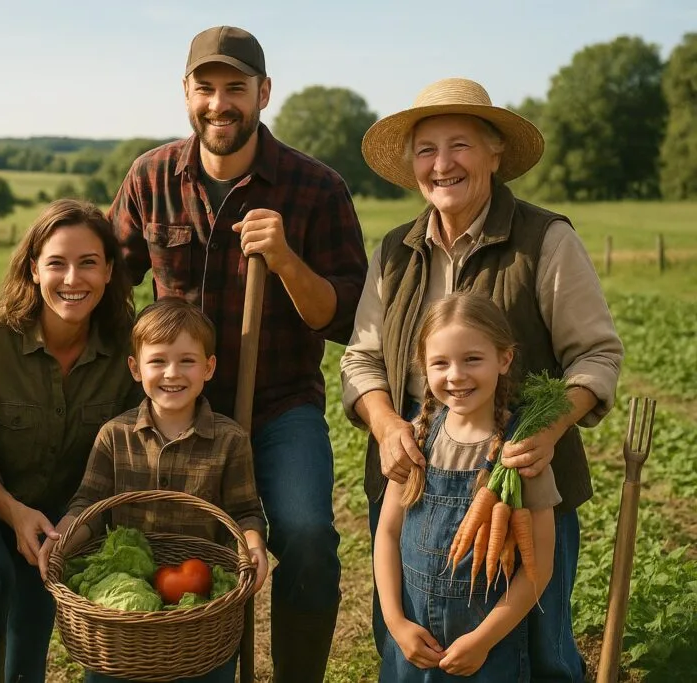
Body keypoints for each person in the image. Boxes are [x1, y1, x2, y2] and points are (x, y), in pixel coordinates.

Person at [340, 78, 624, 680]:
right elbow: (361, 359)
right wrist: (388, 426)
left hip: (518, 482)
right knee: (409, 644)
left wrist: (547, 431)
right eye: (426, 149)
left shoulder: (545, 240)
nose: (442, 164)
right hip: (413, 475)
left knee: (535, 648)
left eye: (460, 145)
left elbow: (596, 356)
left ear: (494, 152)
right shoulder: (394, 251)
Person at [109, 25, 367, 681]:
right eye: (206, 87)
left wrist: (284, 260)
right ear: (187, 93)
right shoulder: (150, 178)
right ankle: (179, 663)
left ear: (264, 93)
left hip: (281, 406)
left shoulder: (316, 188)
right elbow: (110, 288)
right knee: (176, 545)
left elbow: (343, 317)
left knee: (307, 536)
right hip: (181, 411)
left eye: (235, 89)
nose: (219, 103)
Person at [0, 199, 138, 683]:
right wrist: (14, 513)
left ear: (110, 271)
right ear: (33, 269)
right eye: (56, 263)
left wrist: (79, 519)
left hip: (79, 516)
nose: (73, 279)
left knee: (35, 634)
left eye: (89, 263)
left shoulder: (130, 350)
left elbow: (135, 454)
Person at [41, 297, 269, 683]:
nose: (172, 373)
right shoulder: (115, 436)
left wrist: (254, 546)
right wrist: (61, 537)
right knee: (112, 673)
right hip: (126, 597)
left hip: (203, 596)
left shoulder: (230, 440)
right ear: (135, 368)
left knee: (206, 671)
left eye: (187, 361)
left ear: (209, 368)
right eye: (158, 361)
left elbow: (245, 510)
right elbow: (89, 506)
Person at [376, 292, 557, 681]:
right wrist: (395, 623)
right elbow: (387, 535)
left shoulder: (522, 454)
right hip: (414, 648)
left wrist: (483, 640)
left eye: (472, 359)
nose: (456, 375)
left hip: (490, 653)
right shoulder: (416, 442)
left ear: (504, 359)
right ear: (423, 368)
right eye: (440, 363)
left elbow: (538, 567)